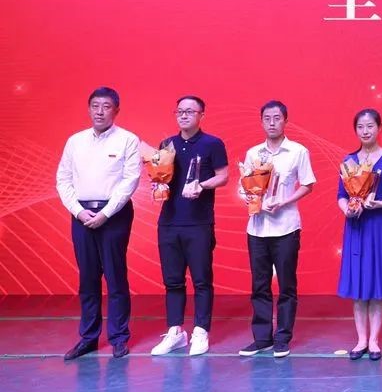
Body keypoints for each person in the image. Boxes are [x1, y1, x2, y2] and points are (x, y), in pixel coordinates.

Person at [56, 87, 141, 360]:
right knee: (88, 277)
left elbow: (130, 181)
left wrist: (106, 213)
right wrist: (79, 212)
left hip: (114, 215)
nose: (100, 112)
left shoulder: (128, 140)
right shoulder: (75, 141)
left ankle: (119, 337)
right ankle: (88, 338)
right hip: (81, 214)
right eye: (95, 106)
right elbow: (63, 179)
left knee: (115, 276)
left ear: (116, 110)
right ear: (89, 109)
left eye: (106, 106)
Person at [150, 95, 229, 356]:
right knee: (172, 281)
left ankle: (200, 331)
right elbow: (161, 175)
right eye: (180, 111)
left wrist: (202, 185)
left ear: (201, 115)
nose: (184, 115)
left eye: (190, 111)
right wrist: (157, 185)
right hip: (169, 222)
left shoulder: (212, 143)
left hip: (198, 223)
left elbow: (223, 176)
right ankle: (175, 331)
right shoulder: (167, 145)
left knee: (201, 280)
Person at [238, 100, 316, 359]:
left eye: (277, 118)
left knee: (286, 285)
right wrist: (252, 200)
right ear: (261, 122)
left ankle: (282, 337)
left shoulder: (297, 151)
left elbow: (307, 184)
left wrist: (284, 202)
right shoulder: (253, 153)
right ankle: (262, 338)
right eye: (267, 118)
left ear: (285, 121)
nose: (272, 123)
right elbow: (243, 186)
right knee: (259, 284)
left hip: (286, 227)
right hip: (257, 228)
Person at [337, 108, 382, 361]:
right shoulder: (348, 161)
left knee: (376, 283)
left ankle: (374, 340)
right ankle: (361, 340)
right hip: (356, 226)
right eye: (360, 127)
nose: (365, 131)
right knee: (358, 285)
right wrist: (347, 209)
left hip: (379, 225)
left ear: (379, 128)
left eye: (370, 126)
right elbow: (341, 195)